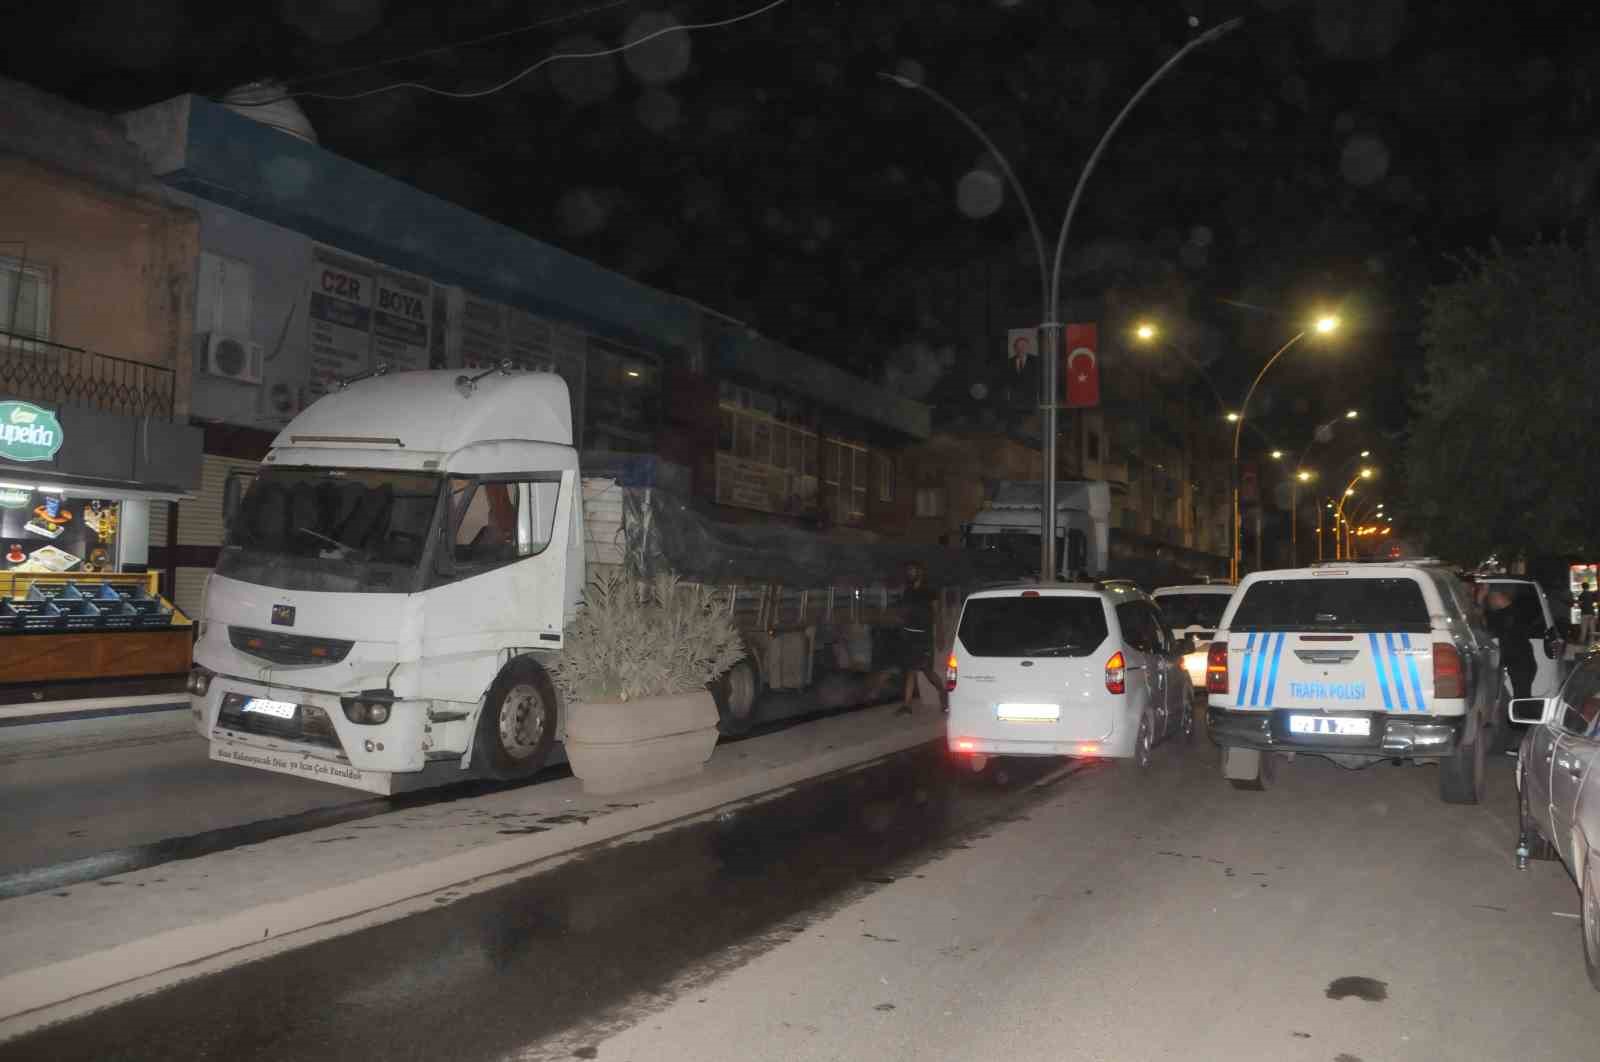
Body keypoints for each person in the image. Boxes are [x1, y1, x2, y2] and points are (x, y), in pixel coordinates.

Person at [896, 562, 938, 716]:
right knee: (910, 669)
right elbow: (904, 612)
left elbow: (936, 613)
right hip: (910, 635)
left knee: (927, 670)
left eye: (913, 571)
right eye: (909, 571)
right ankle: (906, 705)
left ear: (920, 572)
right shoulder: (908, 590)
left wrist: (939, 632)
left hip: (923, 635)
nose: (910, 573)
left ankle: (943, 692)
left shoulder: (929, 591)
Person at [1485, 589, 1537, 701]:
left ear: (1497, 597)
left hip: (1521, 663)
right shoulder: (1513, 612)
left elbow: (1508, 642)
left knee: (1521, 698)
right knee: (1521, 697)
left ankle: (1522, 716)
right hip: (1522, 662)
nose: (1489, 603)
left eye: (1490, 599)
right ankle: (1522, 715)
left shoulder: (1509, 615)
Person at [1579, 581, 1597, 647]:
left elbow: (1580, 604)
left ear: (1582, 587)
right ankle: (1592, 645)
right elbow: (1595, 601)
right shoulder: (1592, 594)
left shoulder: (1581, 595)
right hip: (1592, 613)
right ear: (1588, 587)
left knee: (1584, 631)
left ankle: (1581, 646)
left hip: (1584, 614)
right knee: (1592, 630)